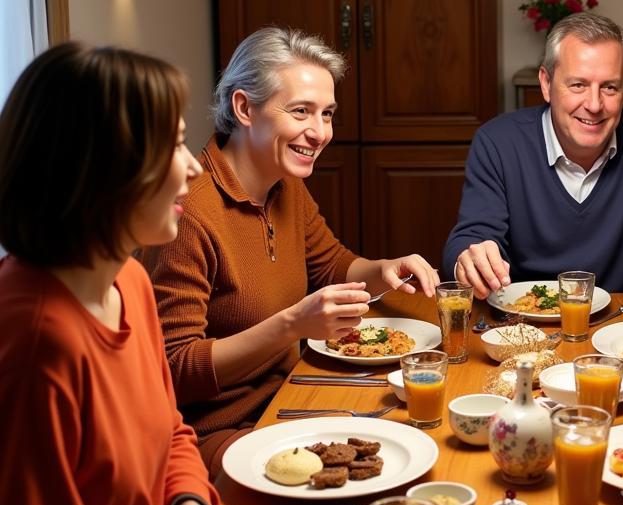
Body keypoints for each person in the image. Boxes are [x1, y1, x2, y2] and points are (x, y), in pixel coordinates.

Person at [0, 42, 218, 505]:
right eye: (174, 146)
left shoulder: (126, 278)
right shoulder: (38, 341)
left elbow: (172, 431)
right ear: (103, 171)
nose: (193, 167)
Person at [142, 26, 438, 476]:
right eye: (301, 111)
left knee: (419, 438)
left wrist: (384, 269)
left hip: (293, 397)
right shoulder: (190, 213)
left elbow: (334, 265)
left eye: (328, 114)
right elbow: (175, 369)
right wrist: (291, 325)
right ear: (244, 107)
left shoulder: (286, 185)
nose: (319, 132)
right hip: (220, 435)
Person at [442, 12, 623, 310]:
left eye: (609, 87)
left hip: (621, 321)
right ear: (546, 83)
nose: (594, 105)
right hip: (521, 321)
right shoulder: (496, 142)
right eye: (578, 85)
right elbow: (470, 237)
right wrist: (469, 261)